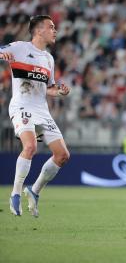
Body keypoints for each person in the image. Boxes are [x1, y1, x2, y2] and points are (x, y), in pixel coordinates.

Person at [0, 15, 71, 217]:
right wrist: (3, 55)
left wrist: (60, 92)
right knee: (30, 146)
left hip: (41, 110)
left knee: (63, 155)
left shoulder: (49, 59)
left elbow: (48, 88)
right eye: (51, 27)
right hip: (21, 105)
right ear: (39, 30)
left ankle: (34, 190)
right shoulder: (19, 48)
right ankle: (15, 193)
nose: (55, 30)